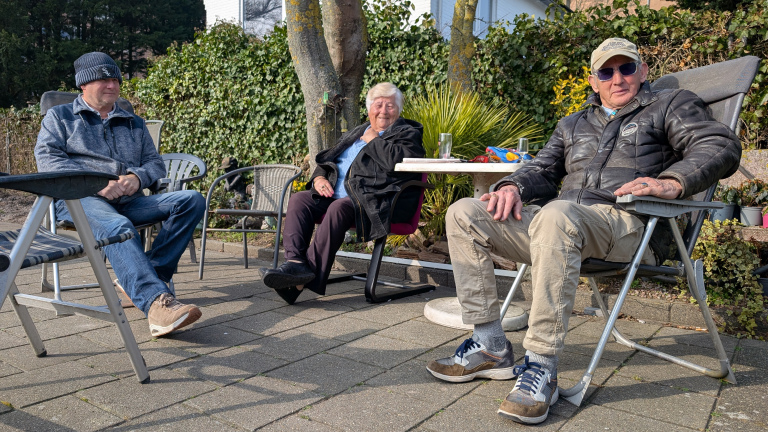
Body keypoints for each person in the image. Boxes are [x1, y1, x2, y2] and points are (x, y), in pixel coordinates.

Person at [426, 38, 741, 425]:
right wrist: (512, 186)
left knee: (558, 215)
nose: (618, 78)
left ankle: (541, 367)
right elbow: (541, 170)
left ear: (643, 72)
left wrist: (673, 181)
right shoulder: (573, 123)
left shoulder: (669, 105)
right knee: (464, 212)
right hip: (562, 225)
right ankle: (491, 346)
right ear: (594, 81)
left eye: (627, 68)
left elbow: (718, 143)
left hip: (631, 225)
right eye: (607, 72)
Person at [35, 52, 206, 337]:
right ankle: (156, 304)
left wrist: (137, 178)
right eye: (103, 79)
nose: (112, 85)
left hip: (129, 200)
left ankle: (142, 276)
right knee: (119, 227)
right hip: (80, 200)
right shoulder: (60, 117)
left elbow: (155, 163)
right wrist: (95, 183)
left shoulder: (133, 122)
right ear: (83, 85)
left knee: (191, 200)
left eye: (115, 79)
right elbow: (47, 160)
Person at [259, 82, 425, 304]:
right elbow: (328, 159)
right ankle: (296, 265)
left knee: (339, 208)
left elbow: (396, 162)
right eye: (378, 105)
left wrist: (374, 141)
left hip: (373, 200)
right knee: (300, 199)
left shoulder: (407, 133)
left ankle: (298, 282)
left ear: (399, 109)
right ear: (369, 109)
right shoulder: (357, 131)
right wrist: (318, 178)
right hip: (334, 195)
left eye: (390, 106)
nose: (383, 110)